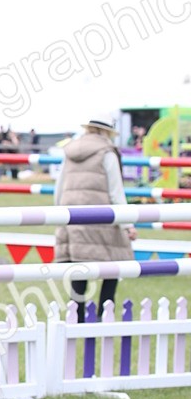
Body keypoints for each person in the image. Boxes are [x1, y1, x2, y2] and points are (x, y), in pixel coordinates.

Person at [54, 117, 137, 322]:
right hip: (101, 218)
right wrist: (127, 224)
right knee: (116, 263)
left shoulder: (70, 150)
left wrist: (58, 214)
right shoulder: (106, 152)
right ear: (106, 132)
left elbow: (59, 188)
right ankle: (104, 312)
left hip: (72, 217)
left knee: (77, 266)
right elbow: (116, 192)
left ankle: (77, 316)